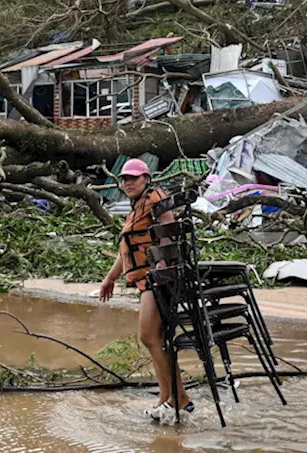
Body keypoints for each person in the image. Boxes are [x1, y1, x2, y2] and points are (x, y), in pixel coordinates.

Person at [99, 158, 191, 424]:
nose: (128, 182)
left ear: (147, 179)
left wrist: (161, 265)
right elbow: (125, 251)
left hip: (158, 279)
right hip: (146, 280)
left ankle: (178, 398)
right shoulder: (135, 209)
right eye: (125, 179)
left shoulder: (155, 198)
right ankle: (169, 398)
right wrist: (109, 279)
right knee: (154, 339)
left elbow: (167, 231)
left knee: (148, 336)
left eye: (134, 178)